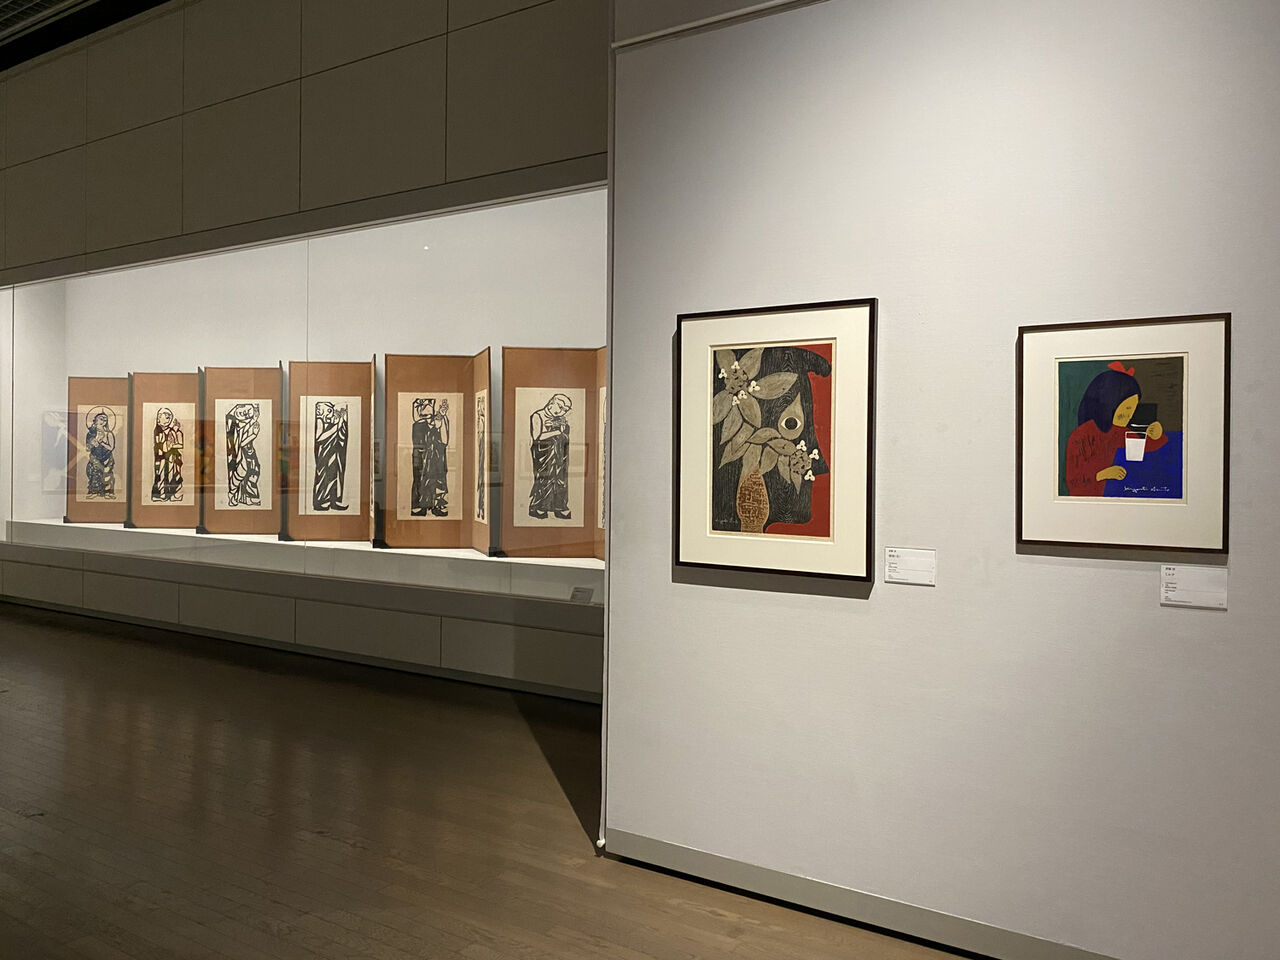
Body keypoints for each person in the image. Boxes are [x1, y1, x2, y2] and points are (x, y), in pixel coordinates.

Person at [1064, 361, 1166, 496]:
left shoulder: (1117, 431)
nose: (1130, 415)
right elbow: (1073, 481)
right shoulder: (1079, 437)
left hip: (1110, 492)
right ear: (1109, 404)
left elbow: (1145, 446)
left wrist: (1156, 434)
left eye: (1133, 409)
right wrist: (1102, 474)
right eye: (1127, 408)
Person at [528, 393, 572, 519]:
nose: (562, 411)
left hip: (560, 455)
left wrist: (563, 428)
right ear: (551, 403)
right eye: (560, 407)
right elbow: (537, 436)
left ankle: (559, 507)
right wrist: (557, 431)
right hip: (543, 455)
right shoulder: (538, 415)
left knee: (560, 480)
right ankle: (539, 507)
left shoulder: (561, 419)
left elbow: (565, 435)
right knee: (544, 479)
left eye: (565, 410)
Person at [410, 398, 449, 517]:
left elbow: (444, 441)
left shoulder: (440, 421)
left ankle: (438, 505)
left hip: (437, 458)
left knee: (438, 480)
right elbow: (419, 442)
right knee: (420, 480)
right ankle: (420, 505)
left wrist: (440, 419)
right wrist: (434, 426)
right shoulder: (418, 425)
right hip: (422, 459)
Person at [312, 401, 349, 511]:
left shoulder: (332, 422)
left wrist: (342, 421)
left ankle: (334, 501)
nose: (331, 413)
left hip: (333, 454)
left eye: (332, 411)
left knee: (334, 477)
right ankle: (320, 502)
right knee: (324, 478)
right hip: (324, 456)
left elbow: (341, 436)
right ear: (320, 411)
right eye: (329, 411)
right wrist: (337, 426)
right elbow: (319, 438)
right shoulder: (320, 421)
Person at [225, 402, 262, 507]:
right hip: (235, 454)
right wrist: (253, 434)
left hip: (241, 453)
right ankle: (232, 493)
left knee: (251, 470)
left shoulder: (238, 423)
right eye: (246, 411)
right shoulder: (230, 420)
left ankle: (242, 495)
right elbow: (240, 442)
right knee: (242, 471)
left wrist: (253, 420)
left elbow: (241, 433)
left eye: (247, 415)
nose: (245, 414)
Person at [151, 407, 184, 502]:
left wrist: (176, 433)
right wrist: (171, 444)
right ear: (158, 419)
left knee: (172, 476)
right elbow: (164, 447)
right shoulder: (158, 432)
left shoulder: (171, 431)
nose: (167, 418)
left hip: (171, 458)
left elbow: (180, 444)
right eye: (164, 416)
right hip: (161, 458)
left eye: (169, 416)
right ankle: (161, 495)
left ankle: (171, 494)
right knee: (161, 476)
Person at [85, 409, 116, 499]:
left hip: (107, 457)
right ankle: (94, 491)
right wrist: (92, 442)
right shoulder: (91, 434)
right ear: (95, 420)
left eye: (105, 419)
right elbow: (88, 448)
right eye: (101, 418)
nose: (103, 421)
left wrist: (101, 442)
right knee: (94, 472)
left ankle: (108, 492)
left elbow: (111, 447)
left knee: (107, 473)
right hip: (95, 457)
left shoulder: (108, 433)